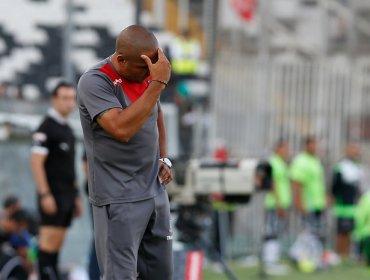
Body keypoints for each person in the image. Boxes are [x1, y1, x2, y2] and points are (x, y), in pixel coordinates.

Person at [77, 25, 173, 280]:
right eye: (144, 68)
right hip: (118, 197)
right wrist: (157, 83)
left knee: (160, 275)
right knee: (120, 276)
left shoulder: (147, 79)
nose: (148, 75)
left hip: (153, 191)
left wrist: (164, 158)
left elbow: (156, 114)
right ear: (121, 60)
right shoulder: (95, 81)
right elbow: (121, 128)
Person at [30, 82, 82, 280]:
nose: (70, 103)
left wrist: (76, 196)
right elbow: (36, 162)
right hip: (52, 195)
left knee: (57, 246)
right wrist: (45, 193)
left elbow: (69, 167)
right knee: (47, 246)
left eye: (72, 98)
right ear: (54, 99)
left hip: (67, 196)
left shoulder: (67, 128)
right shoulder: (46, 127)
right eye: (65, 98)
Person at [262, 139, 292, 271]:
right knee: (272, 232)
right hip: (274, 205)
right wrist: (279, 203)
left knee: (276, 232)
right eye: (285, 148)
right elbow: (272, 184)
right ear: (277, 149)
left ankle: (273, 260)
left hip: (280, 204)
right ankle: (270, 262)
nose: (287, 151)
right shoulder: (273, 162)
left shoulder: (281, 163)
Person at [290, 136, 327, 237]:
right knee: (307, 232)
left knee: (317, 232)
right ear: (306, 145)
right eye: (312, 144)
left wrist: (323, 200)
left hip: (317, 203)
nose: (315, 147)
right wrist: (299, 202)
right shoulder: (300, 160)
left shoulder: (316, 160)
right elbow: (296, 182)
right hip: (307, 203)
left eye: (316, 144)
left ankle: (314, 252)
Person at [331, 143, 362, 259]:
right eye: (352, 150)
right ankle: (341, 254)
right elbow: (335, 186)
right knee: (342, 231)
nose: (355, 153)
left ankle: (346, 254)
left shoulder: (357, 166)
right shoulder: (341, 166)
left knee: (349, 231)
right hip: (343, 206)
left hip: (353, 206)